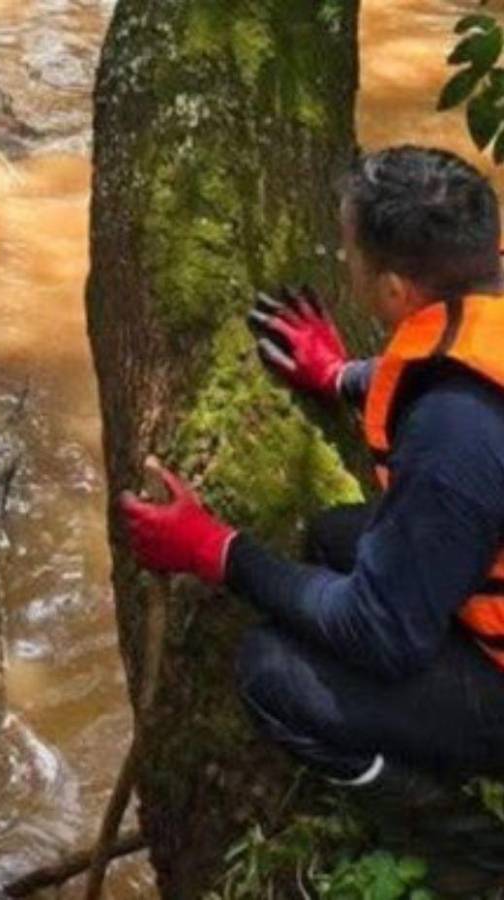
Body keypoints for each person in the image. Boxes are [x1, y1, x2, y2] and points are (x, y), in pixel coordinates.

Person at [120, 146, 504, 886]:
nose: (342, 261)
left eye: (347, 251)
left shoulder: (455, 432)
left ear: (393, 290)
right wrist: (341, 376)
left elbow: (379, 635)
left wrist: (218, 551)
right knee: (336, 534)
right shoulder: (485, 289)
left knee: (272, 672)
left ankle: (472, 851)